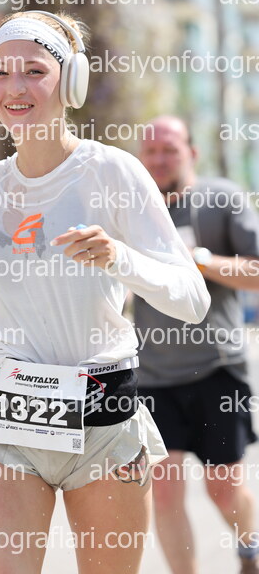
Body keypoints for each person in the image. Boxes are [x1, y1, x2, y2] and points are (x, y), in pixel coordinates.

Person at [0, 12, 210, 574]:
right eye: (1, 71)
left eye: (34, 71)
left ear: (72, 81)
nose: (15, 87)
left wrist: (120, 257)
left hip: (104, 421)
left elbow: (192, 299)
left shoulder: (113, 172)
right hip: (10, 422)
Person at [136, 115, 259, 574]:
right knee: (164, 490)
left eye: (170, 149)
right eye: (151, 151)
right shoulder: (133, 208)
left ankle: (250, 550)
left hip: (216, 368)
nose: (159, 159)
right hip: (151, 375)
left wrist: (199, 261)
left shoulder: (220, 199)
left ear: (191, 152)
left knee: (223, 489)